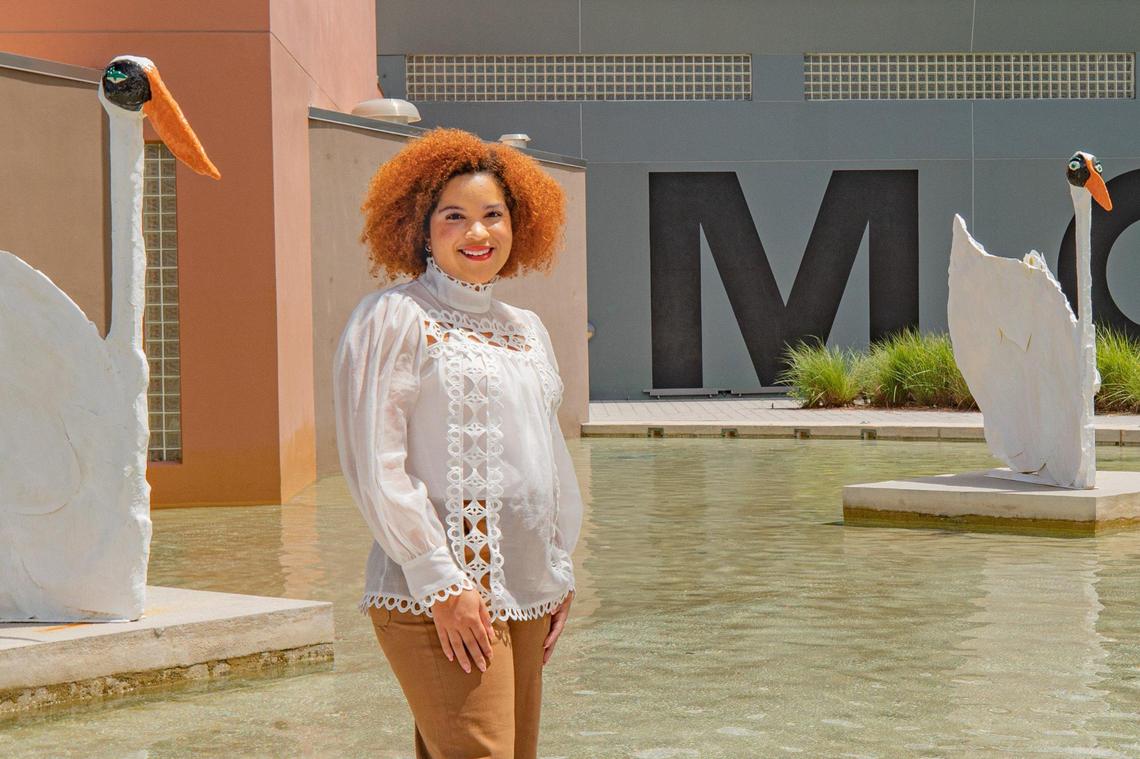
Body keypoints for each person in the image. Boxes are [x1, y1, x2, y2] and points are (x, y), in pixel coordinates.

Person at [334, 128, 582, 759]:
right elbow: (376, 465)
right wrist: (441, 583)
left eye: (493, 215)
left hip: (525, 593)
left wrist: (558, 569)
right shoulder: (394, 318)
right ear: (421, 228)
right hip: (437, 594)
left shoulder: (524, 329)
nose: (478, 233)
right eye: (456, 217)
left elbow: (547, 457)